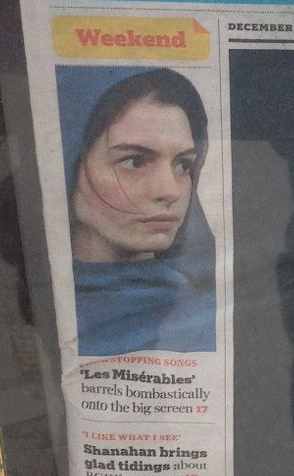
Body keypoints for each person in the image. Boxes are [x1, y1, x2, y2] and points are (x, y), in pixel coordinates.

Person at [62, 67, 217, 356]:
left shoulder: (210, 318)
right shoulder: (39, 300)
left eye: (183, 165)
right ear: (70, 164)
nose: (169, 191)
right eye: (134, 161)